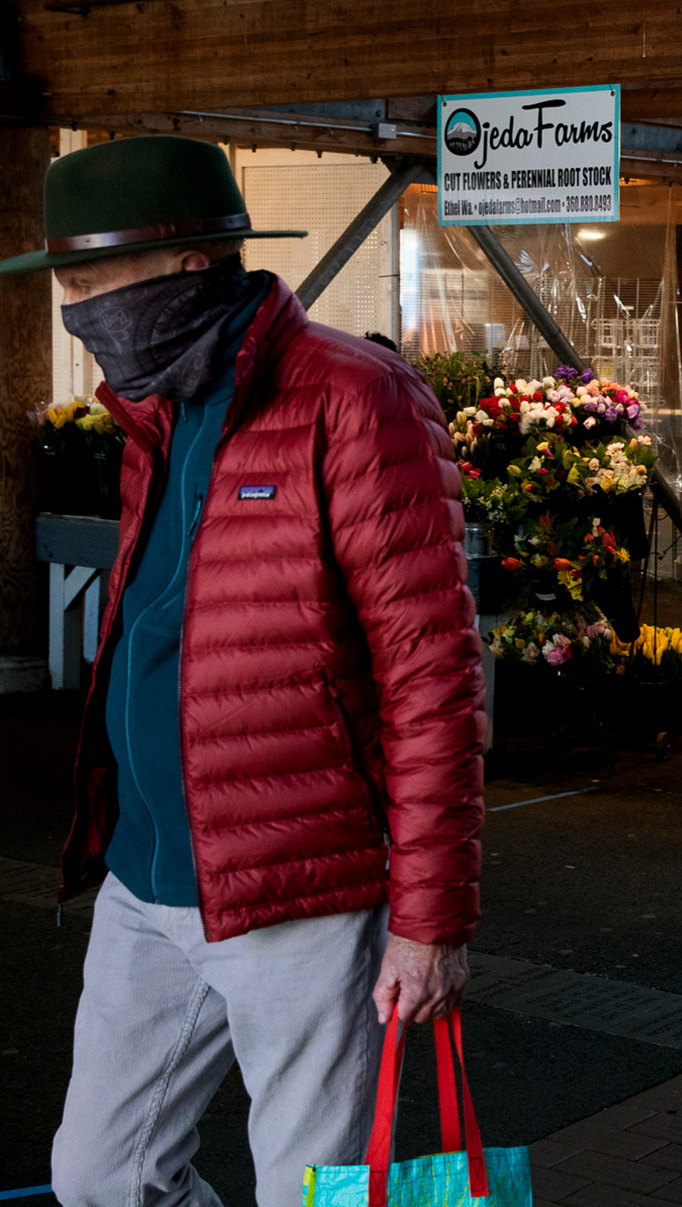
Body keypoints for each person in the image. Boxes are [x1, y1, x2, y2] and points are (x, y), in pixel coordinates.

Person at [3, 136, 488, 1206]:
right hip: (146, 877)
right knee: (97, 1177)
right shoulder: (150, 412)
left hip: (305, 892)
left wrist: (429, 917)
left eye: (91, 280)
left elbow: (432, 674)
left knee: (315, 1192)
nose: (76, 305)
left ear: (188, 263)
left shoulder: (356, 398)